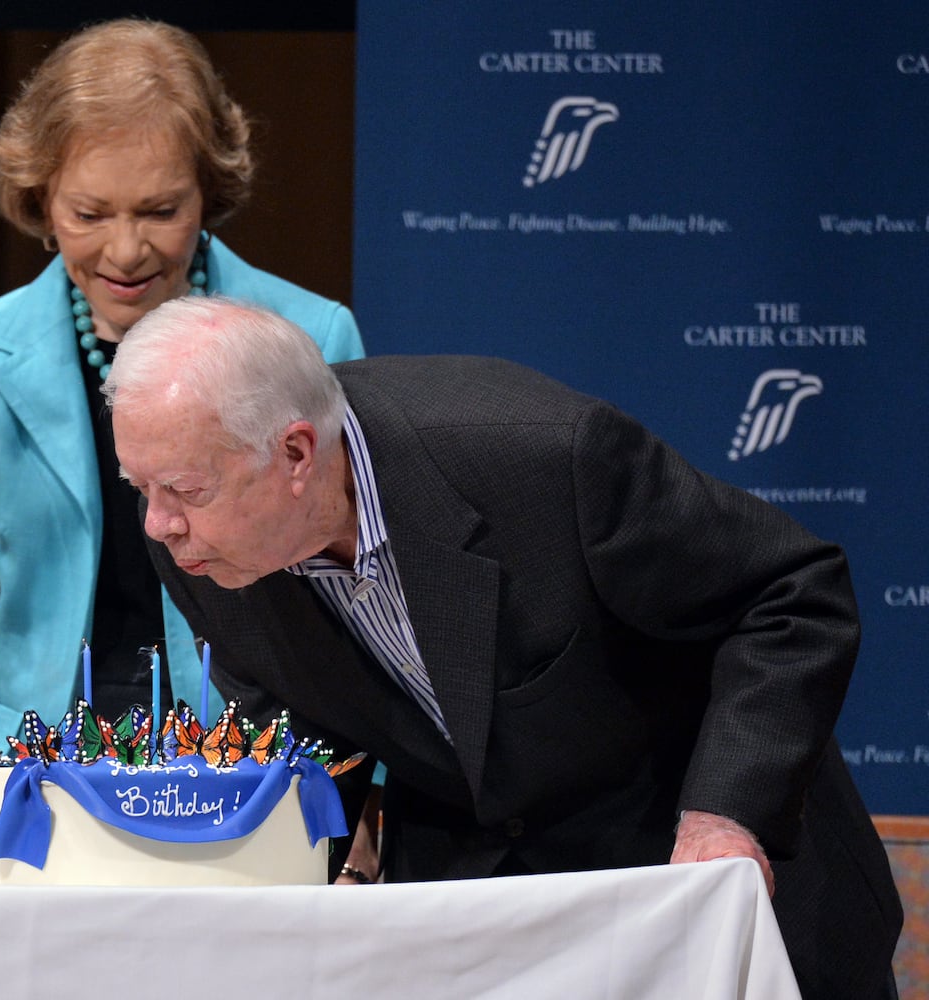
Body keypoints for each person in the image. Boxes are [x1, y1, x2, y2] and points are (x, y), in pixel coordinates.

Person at [103, 296, 902, 1000]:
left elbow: (789, 595)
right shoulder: (204, 550)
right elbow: (300, 744)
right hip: (488, 925)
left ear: (296, 454)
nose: (159, 524)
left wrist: (725, 816)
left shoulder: (546, 457)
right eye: (142, 488)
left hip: (695, 883)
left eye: (185, 490)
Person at [0, 19, 366, 884]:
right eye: (89, 213)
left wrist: (365, 809)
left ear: (208, 192)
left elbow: (365, 604)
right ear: (41, 200)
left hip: (255, 786)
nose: (127, 250)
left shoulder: (312, 339)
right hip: (37, 795)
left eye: (161, 210)